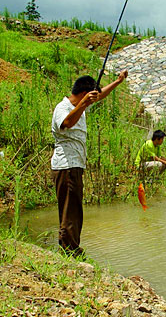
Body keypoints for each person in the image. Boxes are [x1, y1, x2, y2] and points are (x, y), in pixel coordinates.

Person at [51, 70, 128, 257]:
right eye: (88, 98)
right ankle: (70, 251)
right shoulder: (63, 108)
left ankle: (69, 248)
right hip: (66, 166)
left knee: (74, 209)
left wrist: (118, 82)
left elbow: (100, 96)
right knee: (71, 211)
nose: (92, 101)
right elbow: (67, 122)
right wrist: (85, 102)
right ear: (83, 94)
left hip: (75, 166)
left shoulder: (81, 108)